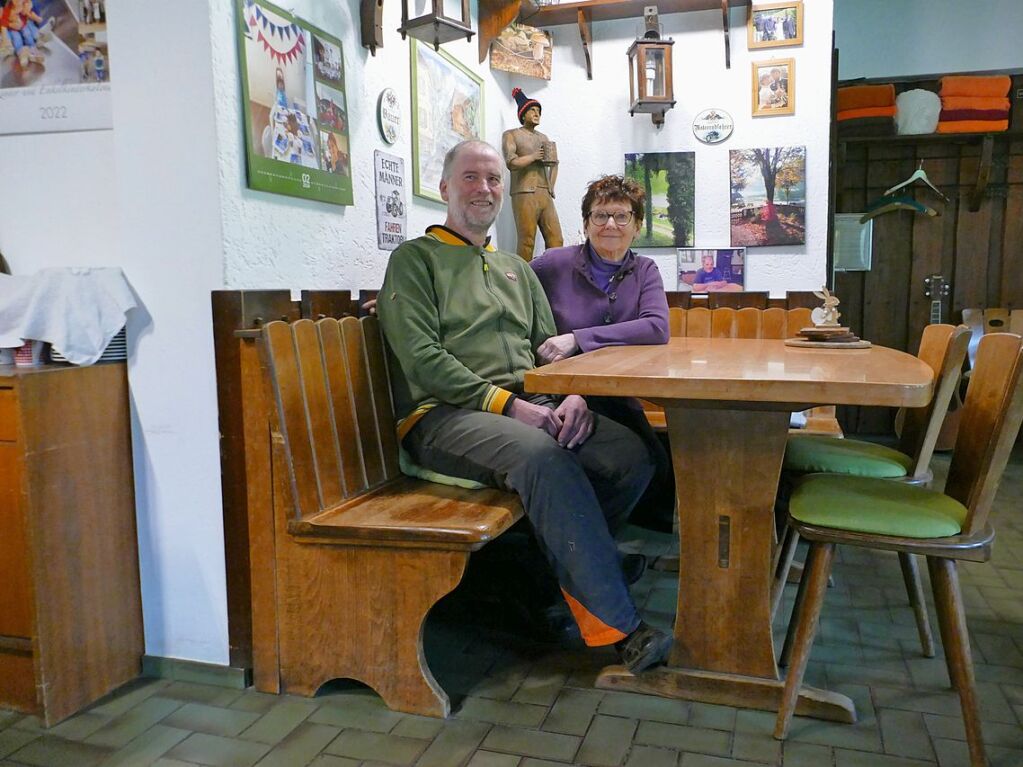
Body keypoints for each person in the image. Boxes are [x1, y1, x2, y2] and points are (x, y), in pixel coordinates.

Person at [378, 140, 672, 672]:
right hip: (442, 416)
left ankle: (545, 576)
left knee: (629, 456)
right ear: (444, 189)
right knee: (542, 456)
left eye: (493, 179)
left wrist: (572, 395)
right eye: (471, 178)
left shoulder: (516, 267)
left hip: (524, 407)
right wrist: (511, 407)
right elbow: (422, 360)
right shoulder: (414, 260)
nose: (485, 189)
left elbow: (546, 348)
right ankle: (618, 628)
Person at [529, 175, 674, 532]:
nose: (611, 224)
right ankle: (586, 547)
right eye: (600, 215)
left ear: (637, 226)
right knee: (620, 462)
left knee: (658, 461)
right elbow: (499, 288)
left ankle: (613, 541)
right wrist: (419, 300)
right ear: (585, 223)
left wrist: (578, 337)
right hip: (559, 392)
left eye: (622, 216)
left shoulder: (644, 270)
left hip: (615, 394)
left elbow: (656, 327)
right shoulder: (552, 264)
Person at [502, 88, 563, 261]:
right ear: (522, 114)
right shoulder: (511, 135)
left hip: (544, 193)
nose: (537, 114)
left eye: (538, 111)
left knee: (556, 239)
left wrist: (551, 186)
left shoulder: (544, 137)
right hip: (524, 192)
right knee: (527, 240)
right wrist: (533, 157)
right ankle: (524, 281)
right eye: (532, 110)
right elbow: (511, 162)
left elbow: (554, 164)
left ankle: (554, 278)